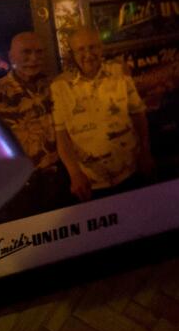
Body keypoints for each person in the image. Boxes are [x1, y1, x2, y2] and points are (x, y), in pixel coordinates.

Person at [51, 26, 154, 202]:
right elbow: (62, 137)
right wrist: (75, 174)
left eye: (93, 47)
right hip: (91, 183)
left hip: (131, 170)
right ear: (73, 54)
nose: (88, 54)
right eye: (81, 49)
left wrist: (145, 151)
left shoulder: (119, 72)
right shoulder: (59, 86)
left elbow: (138, 114)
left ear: (101, 48)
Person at [0, 32, 70, 222]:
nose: (33, 59)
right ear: (11, 57)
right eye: (26, 53)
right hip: (21, 191)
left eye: (39, 52)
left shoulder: (56, 86)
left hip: (61, 180)